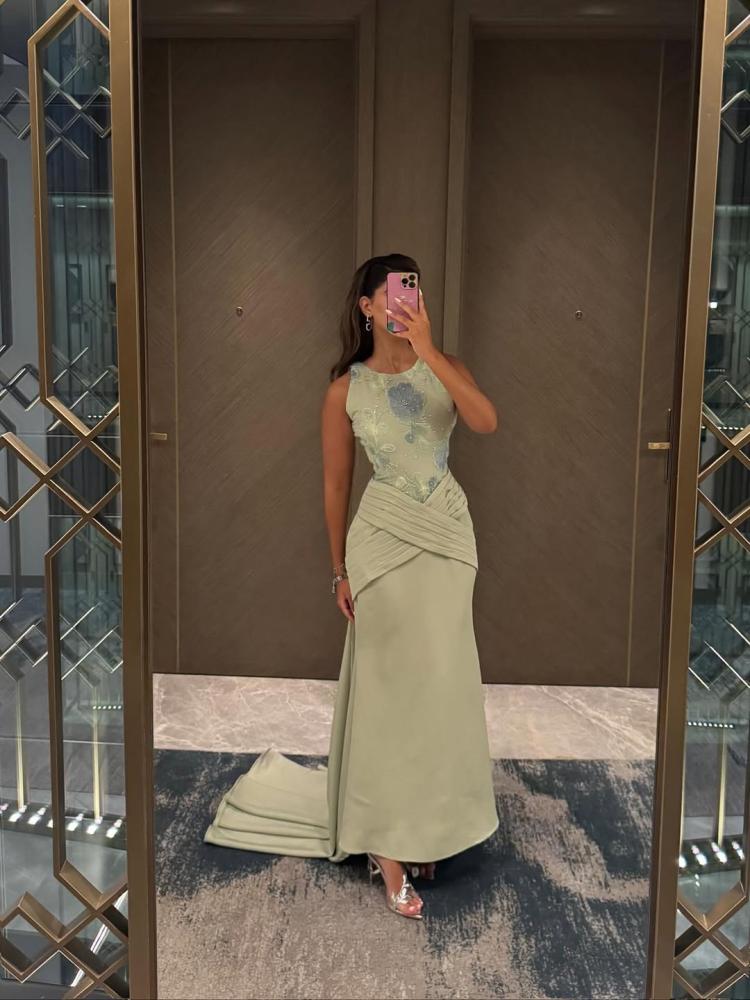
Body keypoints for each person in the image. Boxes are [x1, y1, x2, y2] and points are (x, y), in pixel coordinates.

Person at [204, 253, 500, 920]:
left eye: (413, 291)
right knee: (389, 692)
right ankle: (387, 845)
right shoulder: (345, 390)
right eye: (393, 294)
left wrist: (429, 349)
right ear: (367, 306)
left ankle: (423, 824)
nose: (405, 302)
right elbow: (336, 484)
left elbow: (485, 421)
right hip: (383, 545)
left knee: (440, 689)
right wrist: (339, 568)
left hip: (448, 540)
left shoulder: (445, 367)